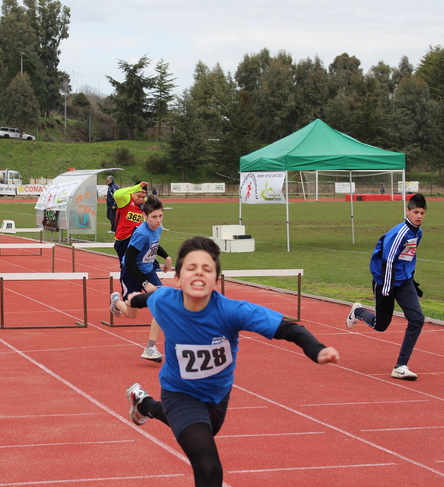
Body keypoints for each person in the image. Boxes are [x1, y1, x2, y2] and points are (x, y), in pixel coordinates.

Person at [112, 236, 339, 487]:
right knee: (208, 466)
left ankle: (143, 404)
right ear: (178, 278)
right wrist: (131, 300)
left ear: (216, 280)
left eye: (207, 268)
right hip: (179, 392)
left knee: (199, 427)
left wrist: (316, 349)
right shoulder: (166, 300)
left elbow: (288, 329)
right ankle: (147, 404)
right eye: (191, 267)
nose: (199, 272)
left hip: (218, 397)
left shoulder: (232, 311)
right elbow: (145, 299)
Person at [346, 193, 427, 381]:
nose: (419, 216)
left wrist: (411, 280)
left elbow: (408, 258)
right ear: (407, 211)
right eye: (415, 212)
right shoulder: (400, 233)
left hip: (403, 281)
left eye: (422, 213)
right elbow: (388, 261)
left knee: (417, 319)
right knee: (380, 325)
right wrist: (387, 288)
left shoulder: (418, 233)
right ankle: (357, 312)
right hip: (384, 281)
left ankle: (400, 366)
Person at [110, 196, 171, 363]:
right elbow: (129, 261)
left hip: (148, 270)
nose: (158, 220)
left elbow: (155, 244)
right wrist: (145, 283)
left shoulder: (157, 228)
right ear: (145, 216)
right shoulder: (141, 234)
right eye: (154, 217)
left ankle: (150, 347)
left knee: (162, 304)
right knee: (131, 314)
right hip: (131, 273)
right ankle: (115, 301)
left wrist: (167, 257)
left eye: (160, 216)